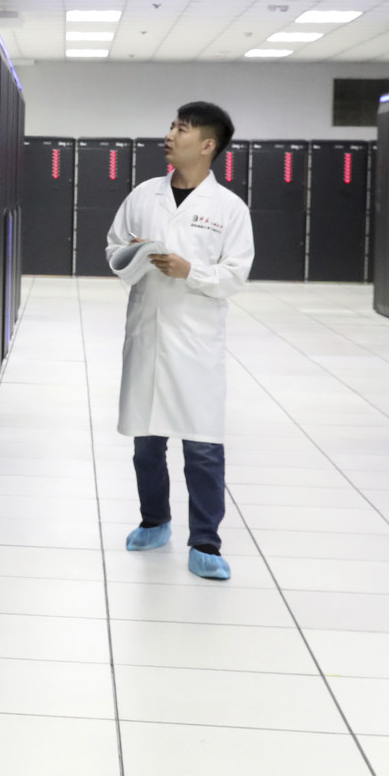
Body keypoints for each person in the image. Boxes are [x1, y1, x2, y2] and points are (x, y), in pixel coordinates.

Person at [104, 103, 254, 580]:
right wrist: (136, 254)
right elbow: (113, 247)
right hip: (149, 332)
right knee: (147, 444)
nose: (170, 135)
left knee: (203, 446)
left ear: (208, 145)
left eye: (181, 129)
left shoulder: (228, 209)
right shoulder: (145, 195)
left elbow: (235, 275)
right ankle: (155, 520)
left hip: (195, 341)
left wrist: (192, 271)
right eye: (171, 125)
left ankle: (206, 542)